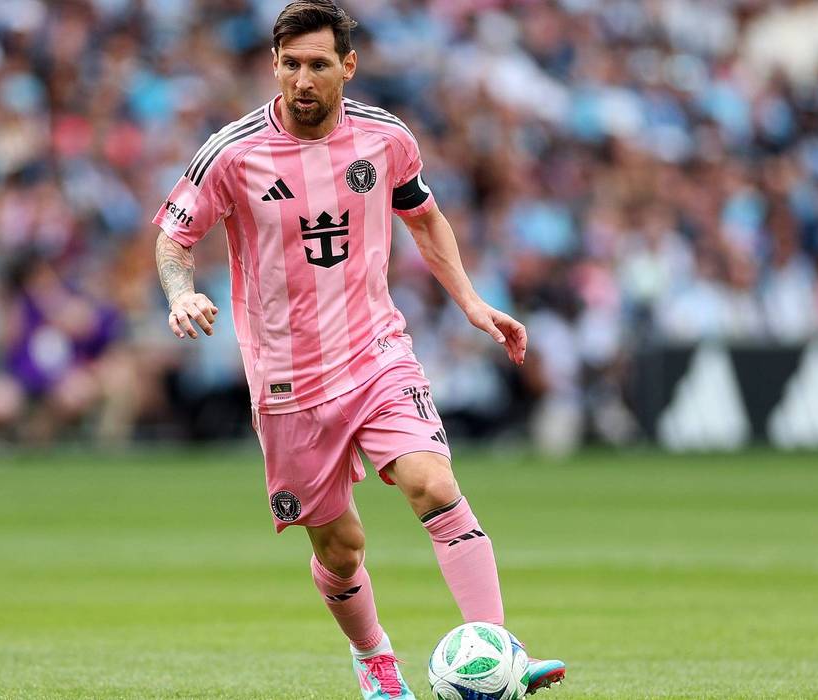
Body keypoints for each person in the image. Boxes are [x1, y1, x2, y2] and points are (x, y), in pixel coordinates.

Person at [151, 2, 566, 697]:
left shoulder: (386, 139)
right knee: (340, 551)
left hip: (376, 351)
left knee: (434, 485)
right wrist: (180, 294)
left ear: (348, 65)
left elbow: (424, 218)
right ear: (273, 66)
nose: (302, 79)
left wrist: (470, 301)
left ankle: (499, 651)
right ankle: (374, 659)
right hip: (286, 381)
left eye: (317, 64)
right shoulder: (231, 152)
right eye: (290, 64)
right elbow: (173, 238)